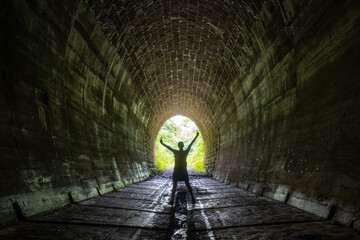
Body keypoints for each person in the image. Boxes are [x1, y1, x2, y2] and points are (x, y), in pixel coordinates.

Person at [160, 131, 199, 205]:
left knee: (174, 186)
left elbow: (168, 147)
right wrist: (196, 136)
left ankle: (171, 199)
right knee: (188, 184)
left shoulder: (175, 152)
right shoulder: (185, 152)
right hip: (183, 171)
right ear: (183, 145)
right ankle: (193, 198)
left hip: (177, 170)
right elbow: (191, 144)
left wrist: (162, 143)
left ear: (178, 146)